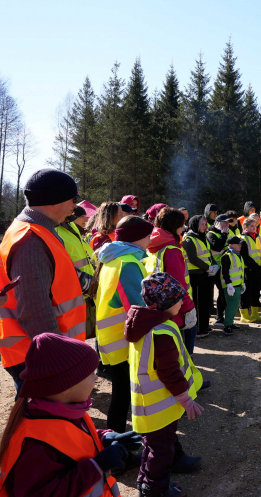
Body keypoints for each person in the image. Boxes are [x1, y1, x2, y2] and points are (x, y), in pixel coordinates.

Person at [0, 333, 133, 497]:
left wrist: (104, 438)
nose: (97, 378)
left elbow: (70, 440)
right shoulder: (35, 444)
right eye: (91, 374)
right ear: (65, 387)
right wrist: (97, 465)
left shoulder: (66, 409)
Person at [0, 168, 87, 390]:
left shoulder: (36, 231)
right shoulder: (31, 239)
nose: (75, 206)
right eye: (73, 199)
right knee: (46, 423)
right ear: (55, 200)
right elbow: (34, 309)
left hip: (38, 351)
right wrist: (59, 360)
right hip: (41, 357)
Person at [126, 273, 204, 497]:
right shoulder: (162, 332)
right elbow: (169, 372)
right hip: (159, 408)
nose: (182, 302)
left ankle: (145, 483)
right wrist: (186, 399)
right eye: (178, 298)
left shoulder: (145, 325)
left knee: (152, 447)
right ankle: (155, 490)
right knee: (161, 451)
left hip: (148, 407)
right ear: (166, 302)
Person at [91, 215, 154, 434]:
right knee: (123, 395)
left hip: (110, 337)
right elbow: (137, 308)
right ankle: (119, 446)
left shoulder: (113, 258)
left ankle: (117, 442)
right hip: (124, 339)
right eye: (148, 235)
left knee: (121, 393)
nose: (151, 239)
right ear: (137, 238)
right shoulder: (128, 263)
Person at [145, 208, 199, 357]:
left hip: (157, 308)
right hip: (177, 309)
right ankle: (188, 378)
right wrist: (189, 308)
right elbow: (179, 286)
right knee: (184, 348)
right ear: (174, 226)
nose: (183, 228)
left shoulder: (152, 247)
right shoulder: (172, 251)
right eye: (181, 225)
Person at [56, 207, 97, 338]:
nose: (86, 219)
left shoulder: (71, 226)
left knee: (82, 339)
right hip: (71, 298)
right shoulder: (54, 230)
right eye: (73, 201)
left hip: (85, 295)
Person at [182, 215, 218, 339]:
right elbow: (193, 258)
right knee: (197, 303)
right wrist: (208, 268)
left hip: (205, 274)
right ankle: (198, 330)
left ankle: (204, 326)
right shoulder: (188, 239)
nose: (205, 226)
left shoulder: (203, 237)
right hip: (194, 276)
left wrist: (214, 266)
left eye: (206, 224)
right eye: (202, 224)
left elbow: (208, 254)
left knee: (205, 302)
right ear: (195, 225)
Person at [239, 217, 261, 323]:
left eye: (255, 226)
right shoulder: (241, 238)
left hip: (257, 271)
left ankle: (255, 313)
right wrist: (256, 268)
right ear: (245, 227)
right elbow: (245, 257)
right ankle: (244, 315)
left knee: (256, 292)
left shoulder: (259, 237)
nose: (254, 228)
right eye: (251, 226)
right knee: (245, 293)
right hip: (247, 270)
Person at [207, 214, 230, 328]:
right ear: (217, 223)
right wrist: (224, 234)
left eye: (227, 223)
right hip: (214, 268)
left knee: (223, 292)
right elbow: (217, 247)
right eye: (224, 223)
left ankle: (221, 317)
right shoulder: (211, 234)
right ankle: (217, 318)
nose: (226, 225)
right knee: (213, 293)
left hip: (224, 267)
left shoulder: (224, 233)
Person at [219, 236, 245, 335]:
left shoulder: (238, 255)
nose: (240, 245)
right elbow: (225, 271)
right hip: (231, 286)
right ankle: (227, 325)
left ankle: (230, 322)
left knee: (234, 305)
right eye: (237, 244)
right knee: (231, 305)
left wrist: (243, 283)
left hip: (237, 284)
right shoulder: (227, 256)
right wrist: (229, 284)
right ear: (230, 245)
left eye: (240, 243)